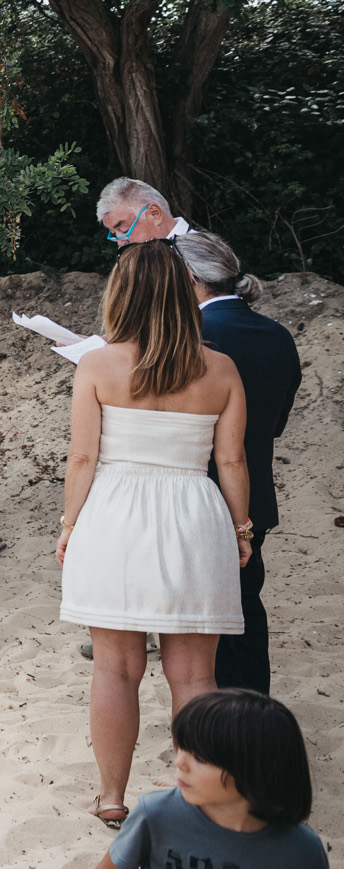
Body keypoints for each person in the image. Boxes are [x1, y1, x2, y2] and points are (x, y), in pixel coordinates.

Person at [58, 240, 250, 828]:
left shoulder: (98, 365)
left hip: (115, 515)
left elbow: (83, 458)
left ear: (124, 294)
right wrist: (242, 530)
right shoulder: (219, 368)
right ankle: (200, 798)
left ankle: (113, 797)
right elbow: (233, 461)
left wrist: (69, 526)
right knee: (195, 675)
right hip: (194, 515)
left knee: (115, 668)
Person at [177, 230, 301, 693]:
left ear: (189, 279)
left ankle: (223, 730)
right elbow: (275, 425)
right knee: (246, 610)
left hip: (196, 495)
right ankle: (255, 723)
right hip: (256, 498)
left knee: (206, 628)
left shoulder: (191, 337)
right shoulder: (278, 335)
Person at [99, 689, 324, 869]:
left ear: (253, 771)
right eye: (182, 749)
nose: (180, 763)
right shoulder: (156, 814)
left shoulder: (301, 849)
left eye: (199, 757)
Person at [97, 176, 191, 247]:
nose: (120, 243)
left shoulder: (200, 254)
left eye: (124, 230)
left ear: (155, 214)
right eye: (114, 234)